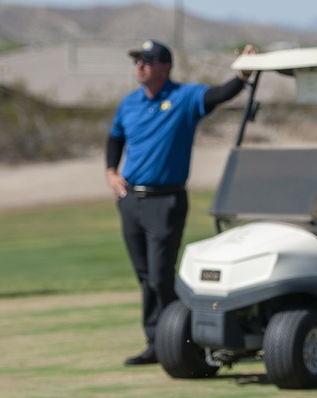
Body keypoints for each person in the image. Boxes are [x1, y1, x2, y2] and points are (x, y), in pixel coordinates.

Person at [106, 40, 256, 366]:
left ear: (164, 67)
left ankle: (181, 339)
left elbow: (219, 94)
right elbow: (115, 137)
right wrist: (110, 172)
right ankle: (156, 343)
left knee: (161, 276)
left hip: (166, 200)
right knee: (145, 276)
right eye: (137, 61)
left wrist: (242, 77)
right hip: (131, 199)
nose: (139, 66)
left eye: (146, 60)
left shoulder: (183, 98)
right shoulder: (129, 103)